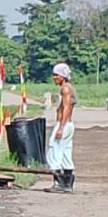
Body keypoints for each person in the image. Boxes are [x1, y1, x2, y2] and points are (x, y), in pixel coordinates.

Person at [44, 62, 77, 193]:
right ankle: (68, 184)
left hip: (64, 124)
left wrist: (61, 127)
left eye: (56, 75)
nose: (54, 77)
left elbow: (67, 108)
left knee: (54, 151)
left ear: (62, 76)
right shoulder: (68, 88)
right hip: (68, 125)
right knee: (65, 154)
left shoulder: (65, 89)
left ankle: (59, 183)